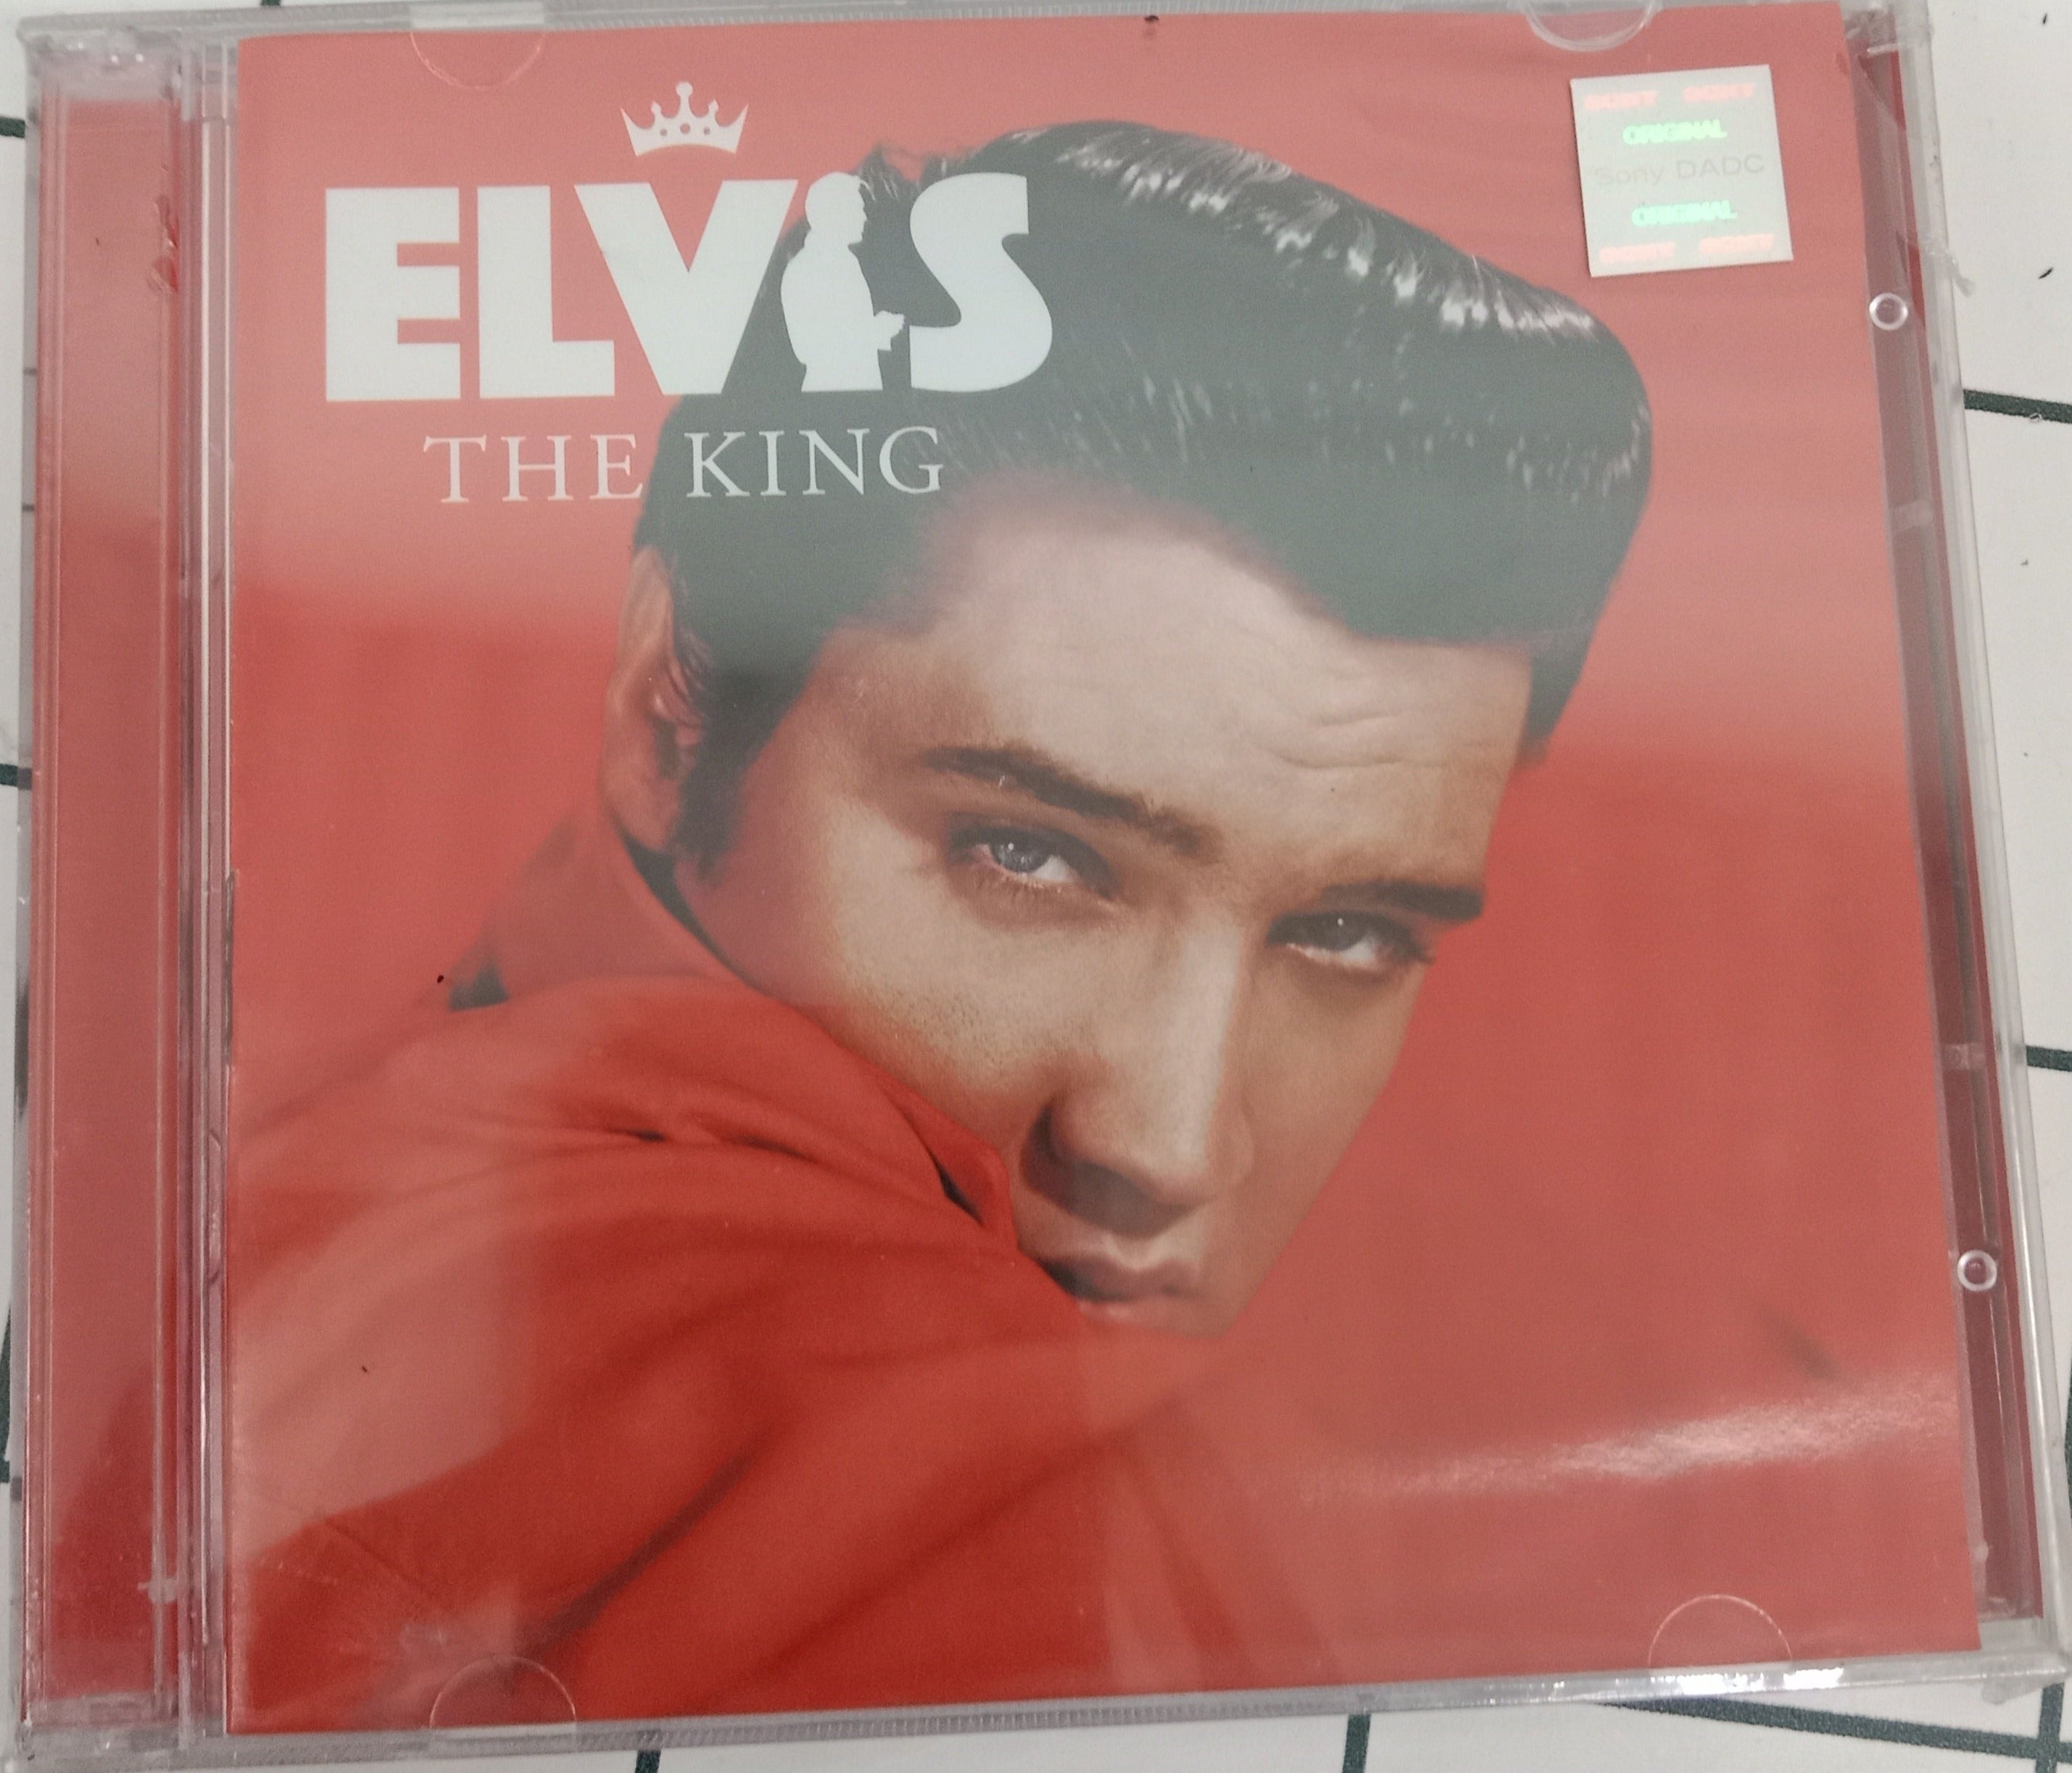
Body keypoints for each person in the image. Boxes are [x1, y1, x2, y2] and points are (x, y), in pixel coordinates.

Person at [227, 122, 1649, 1731]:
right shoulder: (1023, 1487)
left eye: (1348, 933)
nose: (1165, 1142)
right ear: (669, 711)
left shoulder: (265, 1153)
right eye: (1027, 854)